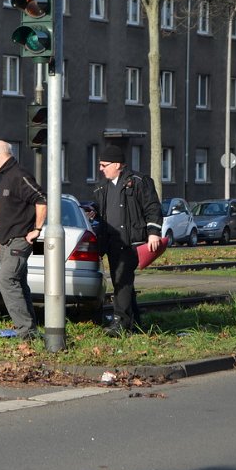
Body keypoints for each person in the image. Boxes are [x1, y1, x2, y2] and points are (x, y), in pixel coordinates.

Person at [90, 144, 162, 336]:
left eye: (104, 165)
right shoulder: (101, 187)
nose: (100, 169)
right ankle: (136, 324)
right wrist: (93, 212)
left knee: (121, 281)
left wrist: (154, 232)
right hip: (112, 243)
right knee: (123, 282)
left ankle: (121, 323)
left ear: (117, 165)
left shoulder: (138, 181)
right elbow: (101, 210)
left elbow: (152, 207)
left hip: (132, 242)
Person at [0, 140, 46, 340]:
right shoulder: (7, 176)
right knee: (18, 281)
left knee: (7, 279)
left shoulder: (19, 175)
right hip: (7, 241)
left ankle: (26, 331)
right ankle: (29, 330)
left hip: (19, 239)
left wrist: (37, 229)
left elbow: (42, 200)